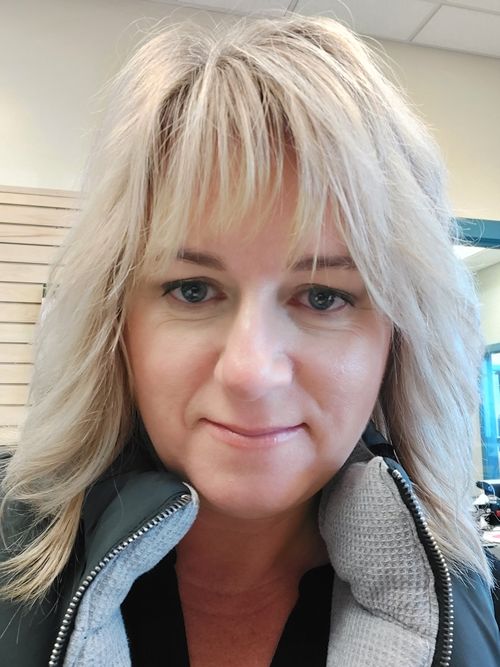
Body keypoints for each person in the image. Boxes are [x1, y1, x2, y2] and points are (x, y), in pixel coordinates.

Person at [0, 14, 499, 667]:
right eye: (193, 290)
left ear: (396, 342)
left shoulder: (471, 608)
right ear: (117, 325)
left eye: (323, 296)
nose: (251, 371)